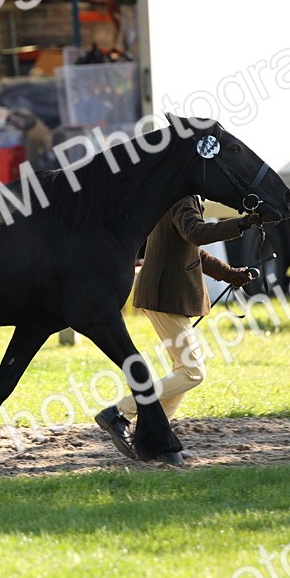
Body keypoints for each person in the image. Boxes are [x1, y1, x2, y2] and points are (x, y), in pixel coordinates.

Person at [94, 197, 258, 461]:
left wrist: (228, 273)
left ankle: (156, 439)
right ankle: (120, 412)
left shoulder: (179, 192)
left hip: (165, 294)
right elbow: (196, 233)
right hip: (166, 296)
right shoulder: (183, 196)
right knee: (193, 373)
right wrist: (242, 223)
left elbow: (191, 249)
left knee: (181, 373)